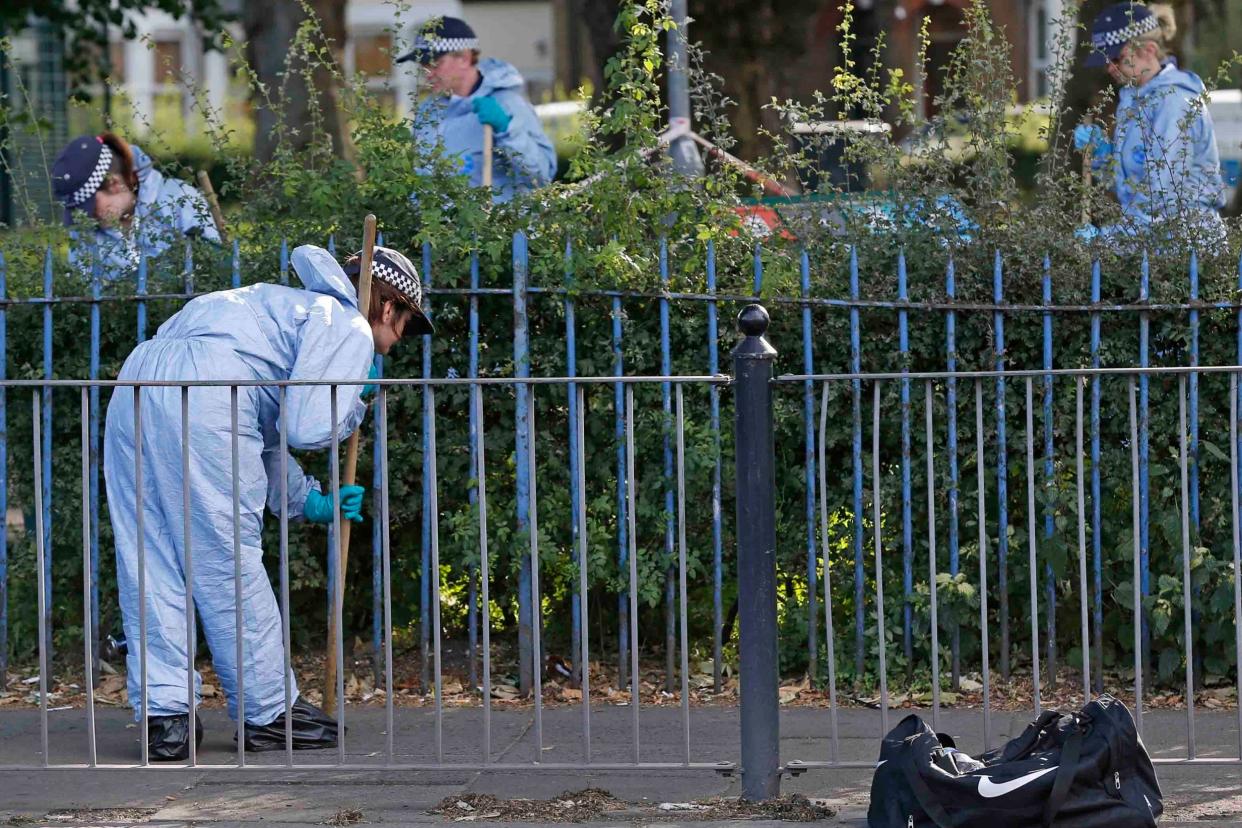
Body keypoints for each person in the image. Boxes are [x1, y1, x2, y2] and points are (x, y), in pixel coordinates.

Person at [103, 244, 432, 760]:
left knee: (150, 555)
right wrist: (352, 401)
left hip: (139, 381)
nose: (394, 345)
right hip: (207, 390)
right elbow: (304, 426)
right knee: (226, 559)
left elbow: (262, 438)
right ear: (388, 308)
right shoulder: (346, 324)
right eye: (405, 327)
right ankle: (269, 712)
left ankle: (165, 719)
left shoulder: (284, 309)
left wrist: (310, 502)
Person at [1074, 2, 1226, 246]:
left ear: (1149, 50)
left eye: (1117, 58)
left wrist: (1106, 240)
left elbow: (1161, 202)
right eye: (1106, 60)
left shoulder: (1174, 103)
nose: (1109, 67)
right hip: (1155, 245)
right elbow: (1130, 187)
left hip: (1186, 246)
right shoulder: (1133, 100)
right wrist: (1104, 157)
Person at [397, 16, 557, 202]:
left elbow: (541, 177)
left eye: (435, 64)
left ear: (464, 58)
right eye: (423, 66)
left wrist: (507, 130)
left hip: (497, 229)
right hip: (442, 230)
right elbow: (423, 180)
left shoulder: (507, 104)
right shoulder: (429, 111)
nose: (428, 74)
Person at [52, 133, 221, 281]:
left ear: (114, 183)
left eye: (89, 206)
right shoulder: (85, 231)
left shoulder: (179, 199)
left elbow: (212, 266)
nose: (87, 217)